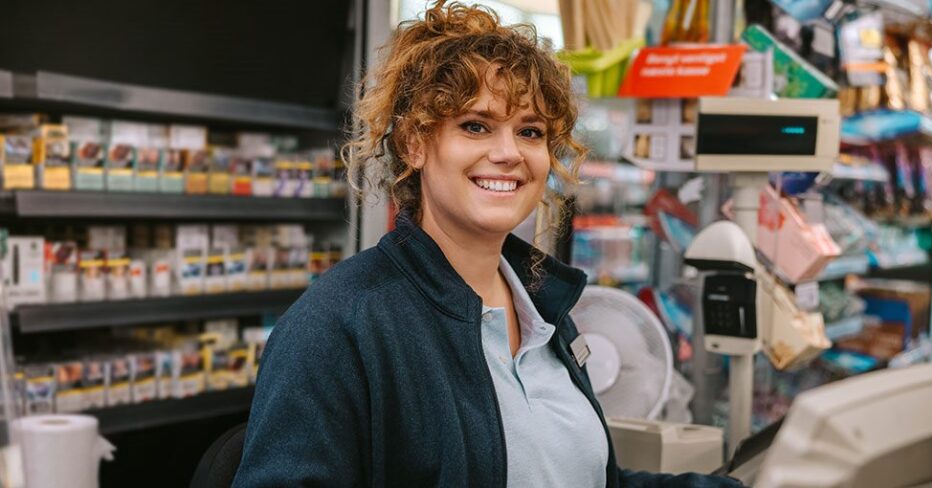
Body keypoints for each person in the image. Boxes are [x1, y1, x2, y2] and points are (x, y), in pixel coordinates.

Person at [233, 2, 742, 487]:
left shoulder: (545, 309)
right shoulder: (339, 325)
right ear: (415, 143)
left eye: (530, 131)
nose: (508, 153)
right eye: (475, 126)